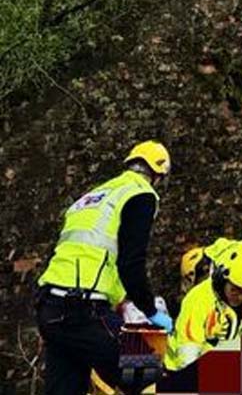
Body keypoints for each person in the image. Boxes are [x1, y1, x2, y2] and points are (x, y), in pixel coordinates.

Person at [36, 141, 175, 395]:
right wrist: (150, 309)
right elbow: (130, 263)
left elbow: (90, 255)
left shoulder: (92, 197)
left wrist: (120, 299)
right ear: (157, 175)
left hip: (50, 309)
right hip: (83, 311)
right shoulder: (140, 194)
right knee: (148, 374)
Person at [164, 242, 242, 371]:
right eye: (235, 290)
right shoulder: (199, 298)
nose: (240, 297)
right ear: (223, 279)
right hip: (181, 365)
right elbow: (188, 349)